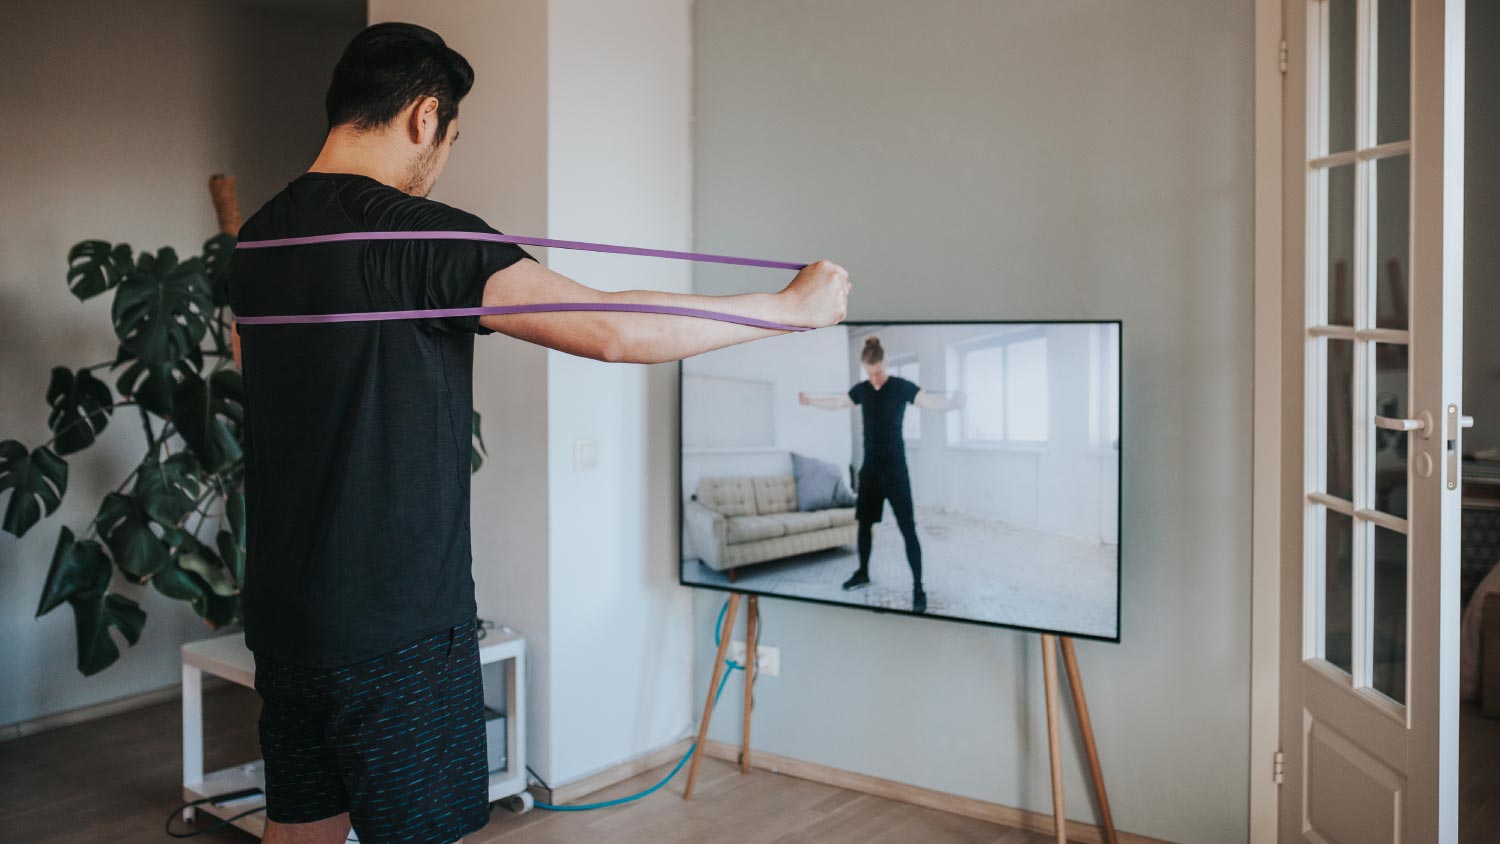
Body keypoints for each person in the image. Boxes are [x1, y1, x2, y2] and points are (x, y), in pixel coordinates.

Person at [226, 22, 849, 844]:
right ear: (423, 118)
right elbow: (611, 331)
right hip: (397, 635)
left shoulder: (257, 239)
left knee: (301, 828)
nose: (442, 157)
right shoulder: (417, 232)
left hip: (286, 620)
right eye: (448, 137)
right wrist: (787, 310)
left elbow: (260, 364)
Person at [798, 337, 960, 615]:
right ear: (865, 367)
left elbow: (931, 403)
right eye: (868, 372)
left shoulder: (900, 387)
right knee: (864, 526)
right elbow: (838, 403)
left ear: (884, 363)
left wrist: (952, 404)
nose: (873, 378)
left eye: (876, 371)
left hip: (896, 471)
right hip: (870, 470)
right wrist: (810, 400)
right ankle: (862, 573)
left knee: (907, 529)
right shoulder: (862, 390)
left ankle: (918, 588)